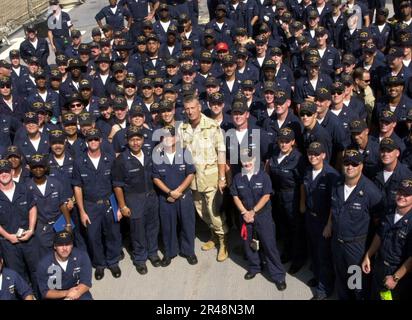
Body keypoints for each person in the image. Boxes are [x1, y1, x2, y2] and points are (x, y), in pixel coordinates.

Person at [178, 95, 229, 262]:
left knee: (214, 212)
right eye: (187, 109)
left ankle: (223, 243)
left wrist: (222, 178)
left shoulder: (212, 126)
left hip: (211, 178)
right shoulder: (182, 128)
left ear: (199, 107)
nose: (190, 112)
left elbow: (221, 153)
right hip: (193, 180)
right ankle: (213, 236)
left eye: (193, 108)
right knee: (202, 211)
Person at [328, 148, 383, 300]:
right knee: (341, 280)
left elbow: (379, 224)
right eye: (346, 163)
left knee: (356, 285)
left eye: (354, 163)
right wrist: (329, 224)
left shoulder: (370, 192)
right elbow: (333, 208)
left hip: (355, 248)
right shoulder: (337, 184)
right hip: (337, 243)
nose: (350, 167)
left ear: (361, 166)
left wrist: (369, 252)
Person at [230, 148, 287, 291]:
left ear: (255, 160)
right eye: (244, 160)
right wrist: (244, 212)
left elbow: (266, 196)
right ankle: (255, 267)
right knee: (249, 244)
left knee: (269, 245)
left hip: (263, 217)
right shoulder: (237, 177)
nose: (247, 163)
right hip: (245, 217)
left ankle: (278, 275)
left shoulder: (263, 176)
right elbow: (235, 196)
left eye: (249, 159)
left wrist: (253, 211)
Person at [72, 128, 122, 280]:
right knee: (94, 237)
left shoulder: (110, 159)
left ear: (100, 141)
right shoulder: (79, 162)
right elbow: (77, 187)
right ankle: (99, 264)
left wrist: (119, 206)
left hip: (109, 202)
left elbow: (117, 184)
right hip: (90, 205)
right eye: (90, 140)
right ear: (86, 142)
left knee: (113, 234)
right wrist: (82, 211)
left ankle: (113, 262)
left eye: (95, 139)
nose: (93, 142)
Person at [112, 126, 161, 275]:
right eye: (132, 139)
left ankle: (153, 253)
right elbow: (117, 186)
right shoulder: (121, 160)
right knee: (137, 231)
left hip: (151, 197)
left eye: (138, 139)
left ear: (143, 140)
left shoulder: (148, 154)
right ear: (127, 141)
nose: (135, 142)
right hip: (134, 199)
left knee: (153, 227)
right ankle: (140, 259)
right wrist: (122, 206)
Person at [152, 126, 197, 267]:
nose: (166, 139)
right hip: (166, 198)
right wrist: (170, 192)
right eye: (163, 137)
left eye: (170, 136)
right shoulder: (157, 156)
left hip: (184, 197)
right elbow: (156, 178)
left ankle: (188, 251)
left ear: (176, 138)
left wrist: (178, 191)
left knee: (187, 224)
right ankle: (169, 252)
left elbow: (190, 173)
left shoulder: (184, 153)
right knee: (167, 226)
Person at [362, 178, 412, 300]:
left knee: (387, 298)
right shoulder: (389, 211)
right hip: (379, 265)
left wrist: (395, 278)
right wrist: (368, 255)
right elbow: (379, 235)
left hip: (395, 272)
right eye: (400, 192)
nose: (402, 197)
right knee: (375, 295)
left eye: (407, 194)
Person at [302, 142, 340, 300]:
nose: (313, 156)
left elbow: (335, 202)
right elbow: (303, 188)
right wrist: (302, 206)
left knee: (324, 255)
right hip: (311, 217)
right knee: (314, 251)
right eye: (311, 153)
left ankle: (324, 289)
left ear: (324, 155)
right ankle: (318, 278)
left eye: (317, 154)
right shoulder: (308, 170)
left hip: (324, 221)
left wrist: (329, 224)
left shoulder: (331, 175)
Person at [0, 159, 39, 294]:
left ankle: (40, 295)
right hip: (8, 243)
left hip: (28, 239)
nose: (3, 174)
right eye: (0, 172)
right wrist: (8, 236)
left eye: (6, 171)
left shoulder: (24, 188)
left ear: (12, 171)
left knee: (36, 270)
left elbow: (32, 208)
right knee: (17, 275)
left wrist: (31, 229)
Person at [27, 154, 71, 258]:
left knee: (63, 251)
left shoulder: (56, 183)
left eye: (41, 166)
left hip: (58, 224)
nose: (38, 169)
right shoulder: (26, 188)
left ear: (46, 167)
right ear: (30, 169)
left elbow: (62, 204)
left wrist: (68, 224)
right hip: (41, 226)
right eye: (34, 167)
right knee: (46, 255)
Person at [36, 231, 93, 300]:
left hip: (77, 291)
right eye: (60, 245)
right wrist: (66, 293)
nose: (64, 248)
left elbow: (86, 283)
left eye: (68, 244)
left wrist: (72, 295)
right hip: (56, 295)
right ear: (55, 246)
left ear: (72, 245)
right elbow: (45, 292)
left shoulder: (82, 256)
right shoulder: (43, 264)